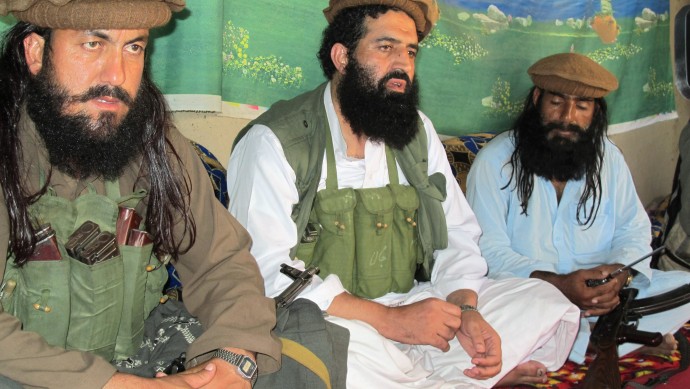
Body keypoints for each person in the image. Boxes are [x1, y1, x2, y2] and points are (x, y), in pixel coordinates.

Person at [227, 1, 581, 387]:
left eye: (410, 51)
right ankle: (459, 377)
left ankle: (439, 375)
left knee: (544, 301)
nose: (403, 66)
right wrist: (391, 322)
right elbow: (265, 275)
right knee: (324, 355)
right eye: (385, 47)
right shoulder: (274, 142)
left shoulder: (415, 131)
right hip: (333, 321)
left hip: (411, 302)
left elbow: (457, 233)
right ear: (342, 56)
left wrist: (464, 310)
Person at [0, 1, 280, 388]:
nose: (116, 75)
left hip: (135, 359)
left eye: (134, 47)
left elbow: (221, 261)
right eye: (93, 45)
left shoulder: (155, 145)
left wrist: (231, 360)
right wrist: (119, 385)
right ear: (36, 53)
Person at [466, 52, 690, 364]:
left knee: (683, 288)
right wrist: (560, 285)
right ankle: (610, 340)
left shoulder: (608, 158)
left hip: (603, 297)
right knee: (486, 310)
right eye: (556, 102)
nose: (568, 117)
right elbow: (487, 251)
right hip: (532, 293)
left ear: (595, 111)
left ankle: (587, 340)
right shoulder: (494, 162)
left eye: (582, 106)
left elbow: (633, 230)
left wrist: (619, 275)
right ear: (536, 100)